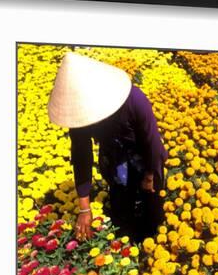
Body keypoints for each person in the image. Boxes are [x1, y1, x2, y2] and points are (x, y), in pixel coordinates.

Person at [47, 51, 168, 242]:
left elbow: (152, 142)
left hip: (145, 157)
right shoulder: (79, 115)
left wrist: (150, 175)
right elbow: (81, 156)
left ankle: (152, 240)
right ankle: (126, 238)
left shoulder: (134, 99)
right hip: (114, 159)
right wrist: (85, 208)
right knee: (121, 207)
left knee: (152, 207)